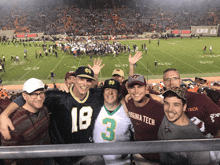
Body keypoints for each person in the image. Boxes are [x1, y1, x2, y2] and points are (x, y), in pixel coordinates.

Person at [0, 59, 105, 165]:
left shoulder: (95, 95)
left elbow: (117, 94)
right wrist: (4, 114)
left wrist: (95, 75)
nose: (85, 83)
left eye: (88, 80)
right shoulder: (58, 96)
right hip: (62, 155)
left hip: (85, 152)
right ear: (75, 79)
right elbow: (29, 97)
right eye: (82, 79)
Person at [158, 87, 220, 165]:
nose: (170, 109)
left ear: (184, 107)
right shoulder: (167, 118)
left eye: (176, 104)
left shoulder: (195, 143)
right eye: (166, 103)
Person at [1, 78, 52, 165]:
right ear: (24, 96)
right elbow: (9, 155)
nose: (39, 98)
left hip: (46, 158)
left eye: (41, 93)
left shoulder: (44, 109)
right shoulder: (15, 122)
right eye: (34, 94)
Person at [163, 68, 220, 138]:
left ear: (180, 81)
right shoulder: (159, 104)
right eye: (168, 79)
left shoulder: (200, 98)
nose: (171, 83)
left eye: (175, 78)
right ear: (163, 82)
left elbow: (217, 127)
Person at [124, 74, 164, 164]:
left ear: (146, 88)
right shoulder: (127, 103)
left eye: (140, 86)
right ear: (128, 90)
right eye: (132, 87)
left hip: (160, 157)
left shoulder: (159, 107)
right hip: (140, 155)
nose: (136, 91)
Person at [93, 79, 134, 165]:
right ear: (103, 92)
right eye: (107, 89)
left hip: (122, 162)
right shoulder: (95, 108)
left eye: (114, 90)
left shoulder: (127, 111)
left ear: (119, 93)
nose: (110, 92)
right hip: (98, 161)